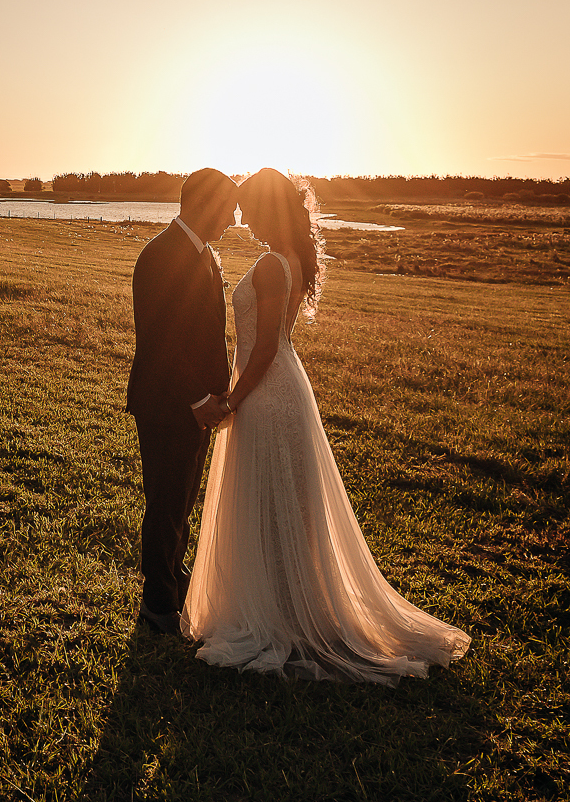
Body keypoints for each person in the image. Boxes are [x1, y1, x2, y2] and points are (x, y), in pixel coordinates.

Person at [181, 168, 470, 682]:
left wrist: (232, 400)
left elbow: (266, 347)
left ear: (269, 208)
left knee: (274, 502)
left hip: (268, 393)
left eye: (248, 205)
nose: (241, 216)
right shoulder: (286, 257)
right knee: (280, 503)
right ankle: (285, 605)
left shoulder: (272, 265)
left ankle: (281, 617)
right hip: (277, 388)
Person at [126, 168, 239, 635]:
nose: (233, 219)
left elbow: (206, 333)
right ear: (205, 205)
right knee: (166, 501)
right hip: (166, 404)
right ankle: (158, 604)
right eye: (229, 208)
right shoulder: (160, 255)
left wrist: (217, 395)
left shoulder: (205, 254)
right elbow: (161, 342)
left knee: (184, 499)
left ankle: (173, 575)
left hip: (198, 406)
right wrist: (196, 399)